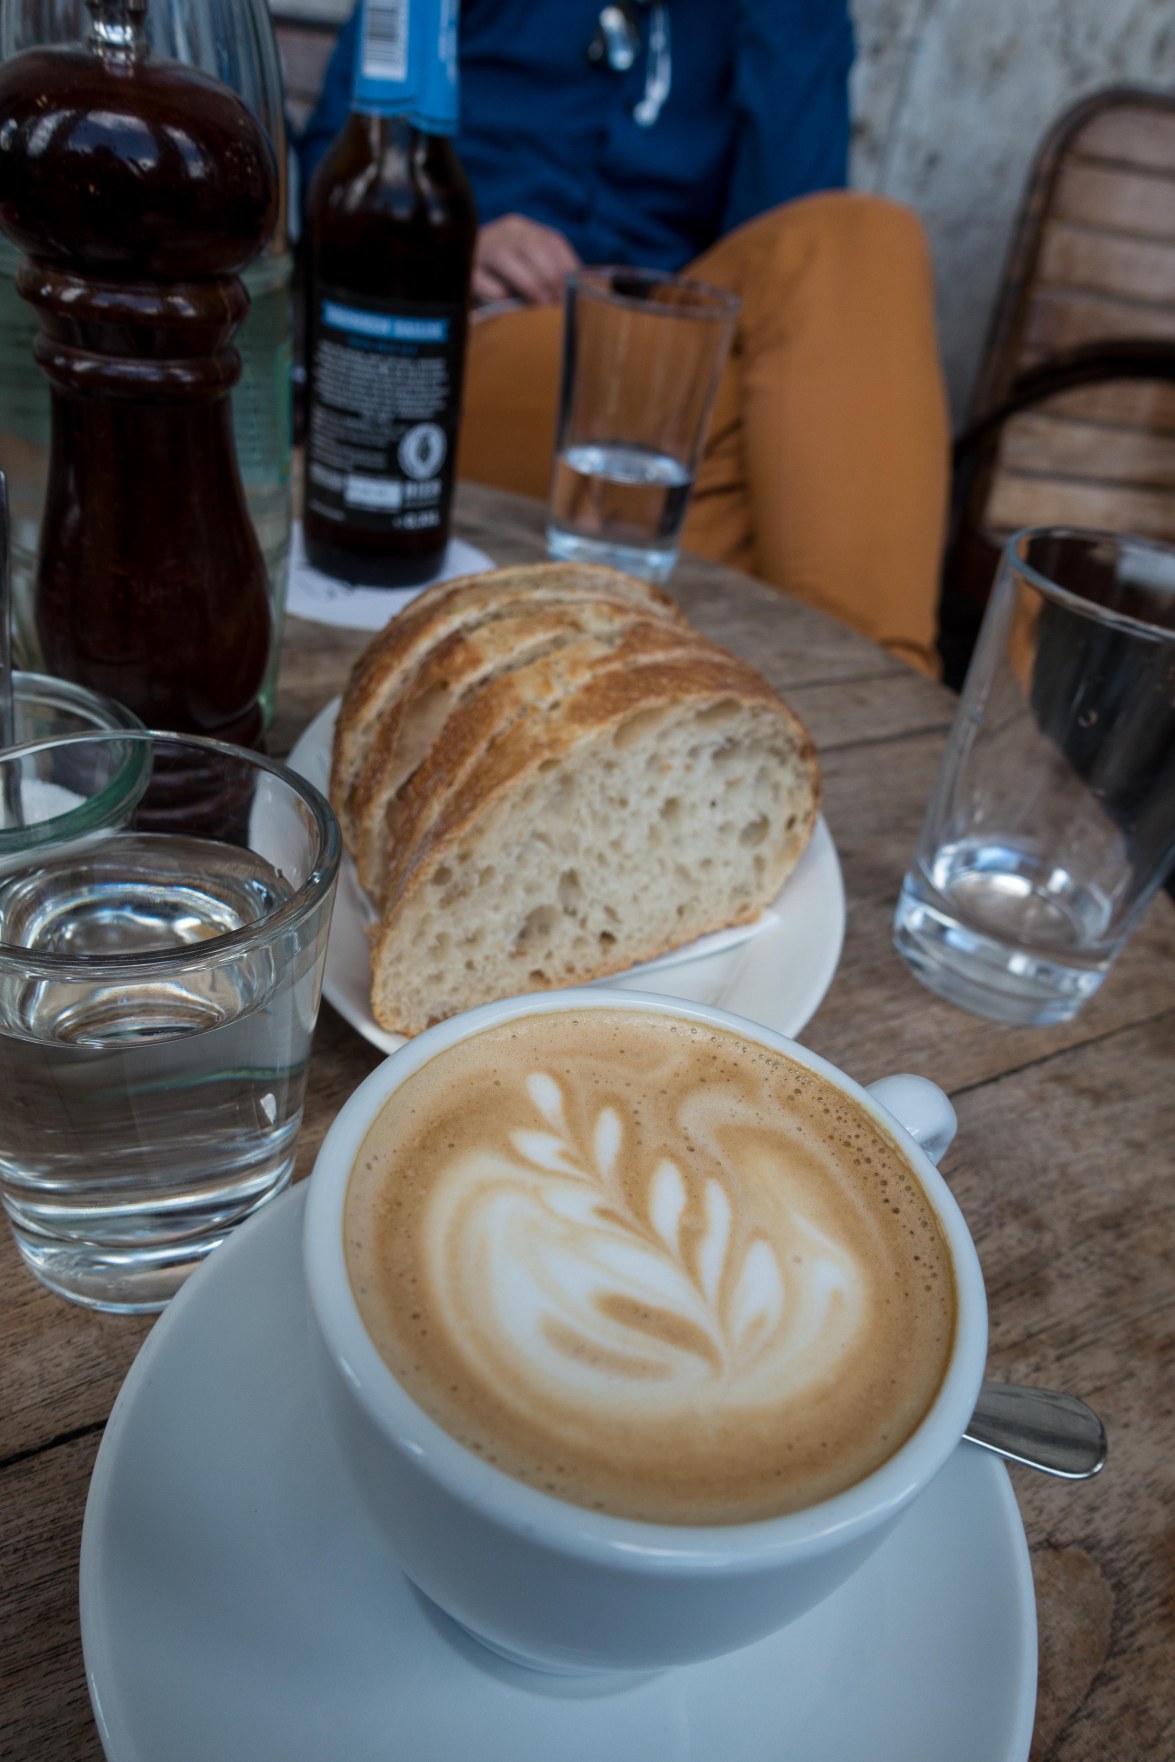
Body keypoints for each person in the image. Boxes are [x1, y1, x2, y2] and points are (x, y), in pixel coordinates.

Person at [300, 0, 950, 674]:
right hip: (457, 338)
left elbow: (801, 239)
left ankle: (865, 691)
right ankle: (888, 687)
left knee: (864, 237)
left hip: (673, 348)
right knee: (781, 446)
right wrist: (448, 233)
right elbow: (336, 167)